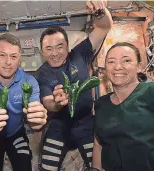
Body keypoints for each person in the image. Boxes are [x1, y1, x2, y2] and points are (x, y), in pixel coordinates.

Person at [35, 1, 113, 170]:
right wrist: (56, 102)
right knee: (47, 167)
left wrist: (99, 11)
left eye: (59, 47)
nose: (54, 53)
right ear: (42, 51)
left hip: (85, 122)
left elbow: (104, 27)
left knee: (100, 164)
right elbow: (47, 102)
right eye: (48, 48)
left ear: (68, 46)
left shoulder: (80, 53)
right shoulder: (41, 73)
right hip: (58, 125)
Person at [0, 33, 47, 171]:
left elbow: (35, 121)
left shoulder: (29, 82)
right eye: (2, 55)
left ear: (19, 59)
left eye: (13, 56)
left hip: (16, 134)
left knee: (24, 165)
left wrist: (39, 120)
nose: (8, 62)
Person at [92, 42, 154, 171]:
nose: (118, 67)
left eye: (126, 60)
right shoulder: (100, 104)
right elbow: (98, 144)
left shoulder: (150, 92)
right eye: (111, 62)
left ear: (139, 67)